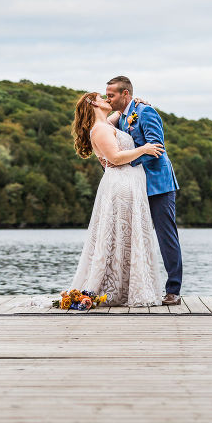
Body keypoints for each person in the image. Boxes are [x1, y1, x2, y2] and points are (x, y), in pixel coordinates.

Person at [69, 92, 166, 307]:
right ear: (93, 103)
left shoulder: (106, 123)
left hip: (128, 183)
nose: (107, 100)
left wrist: (137, 104)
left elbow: (125, 113)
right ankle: (114, 288)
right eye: (102, 97)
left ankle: (123, 287)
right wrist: (144, 149)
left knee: (125, 237)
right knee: (120, 235)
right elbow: (114, 158)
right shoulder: (101, 129)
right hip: (121, 184)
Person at [105, 76, 182, 305]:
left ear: (125, 94)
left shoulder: (146, 112)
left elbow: (156, 147)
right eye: (107, 95)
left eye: (112, 95)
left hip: (158, 185)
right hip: (133, 186)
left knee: (165, 236)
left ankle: (173, 290)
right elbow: (106, 129)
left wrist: (125, 163)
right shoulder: (123, 116)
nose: (108, 98)